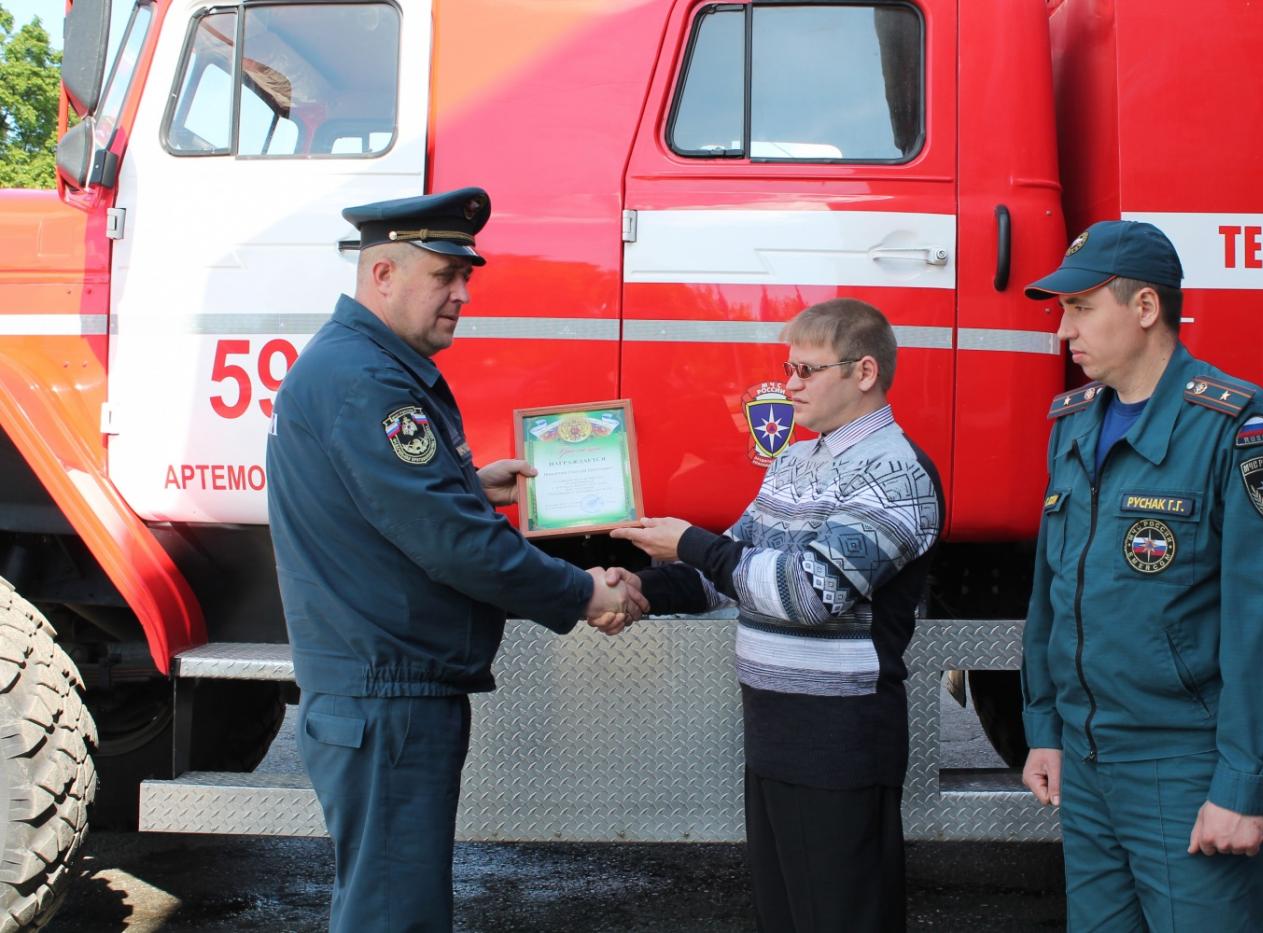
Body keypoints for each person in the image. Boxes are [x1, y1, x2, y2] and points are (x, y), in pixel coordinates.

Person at [266, 186, 646, 932]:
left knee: (384, 904)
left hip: (384, 688)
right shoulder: (368, 379)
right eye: (444, 274)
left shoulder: (360, 366)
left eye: (464, 277)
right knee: (393, 915)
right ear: (382, 275)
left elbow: (383, 504)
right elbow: (449, 540)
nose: (462, 294)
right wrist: (581, 592)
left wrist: (469, 484)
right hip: (388, 694)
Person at [1018, 220, 1263, 930]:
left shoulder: (1237, 425)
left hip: (1182, 768)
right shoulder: (1072, 423)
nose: (1064, 331)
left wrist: (1244, 785)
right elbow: (1052, 588)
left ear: (1146, 308)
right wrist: (1045, 727)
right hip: (1089, 763)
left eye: (1081, 308)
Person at [611, 298, 945, 933]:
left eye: (806, 370)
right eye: (788, 367)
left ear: (864, 372)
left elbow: (807, 592)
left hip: (840, 744)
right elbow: (730, 572)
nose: (787, 384)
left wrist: (689, 543)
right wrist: (642, 587)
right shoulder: (796, 461)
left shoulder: (896, 472)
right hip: (776, 736)